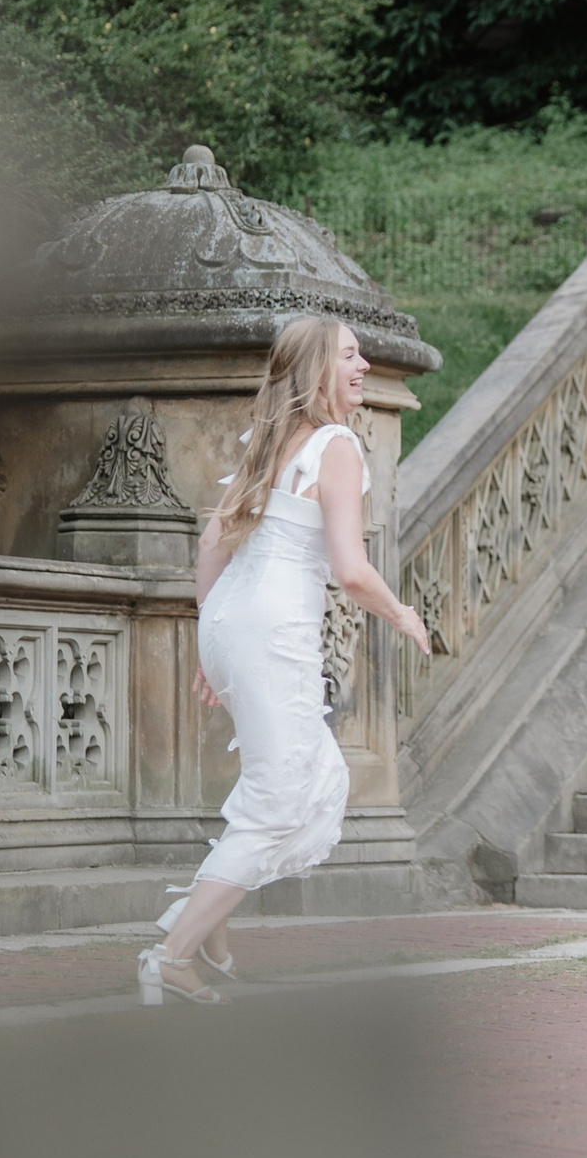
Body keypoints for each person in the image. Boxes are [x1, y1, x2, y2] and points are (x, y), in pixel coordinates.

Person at [139, 312, 429, 1006]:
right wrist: (403, 614)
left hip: (232, 619)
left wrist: (212, 639)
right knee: (283, 797)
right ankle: (173, 953)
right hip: (270, 630)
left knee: (307, 779)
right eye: (352, 357)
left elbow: (213, 541)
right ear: (318, 369)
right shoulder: (336, 445)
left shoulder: (271, 439)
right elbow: (353, 571)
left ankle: (206, 929)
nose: (364, 367)